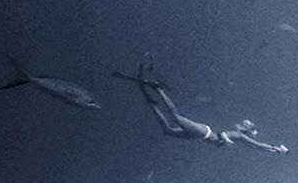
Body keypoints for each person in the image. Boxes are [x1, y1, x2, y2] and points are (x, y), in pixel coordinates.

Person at [113, 63, 287, 154]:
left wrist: (275, 150)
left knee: (167, 130)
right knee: (175, 116)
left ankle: (150, 100)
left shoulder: (241, 137)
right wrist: (275, 149)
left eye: (244, 124)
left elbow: (257, 146)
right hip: (204, 133)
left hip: (199, 135)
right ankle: (158, 89)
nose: (241, 124)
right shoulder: (240, 137)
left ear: (246, 130)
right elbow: (258, 145)